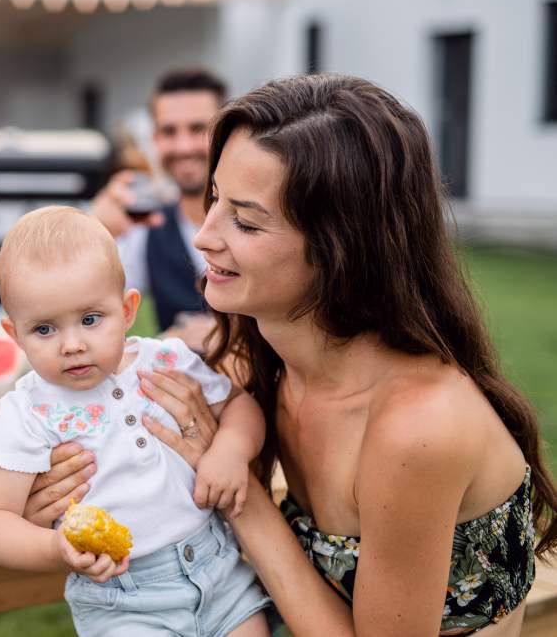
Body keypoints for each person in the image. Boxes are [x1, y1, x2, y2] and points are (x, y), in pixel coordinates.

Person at [32, 74, 557, 635]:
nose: (205, 236)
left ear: (343, 250)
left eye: (246, 220)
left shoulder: (416, 427)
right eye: (214, 198)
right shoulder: (262, 362)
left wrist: (247, 503)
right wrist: (54, 492)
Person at [0, 206, 271, 636]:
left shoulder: (167, 360)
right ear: (14, 334)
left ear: (128, 310)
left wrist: (230, 450)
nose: (72, 344)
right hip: (125, 601)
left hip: (218, 572)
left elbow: (241, 407)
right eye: (44, 330)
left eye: (91, 320)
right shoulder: (28, 410)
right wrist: (55, 548)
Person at [90, 68, 227, 344]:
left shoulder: (265, 221)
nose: (184, 146)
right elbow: (80, 309)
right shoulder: (146, 228)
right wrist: (92, 231)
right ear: (155, 140)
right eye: (169, 131)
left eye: (198, 128)